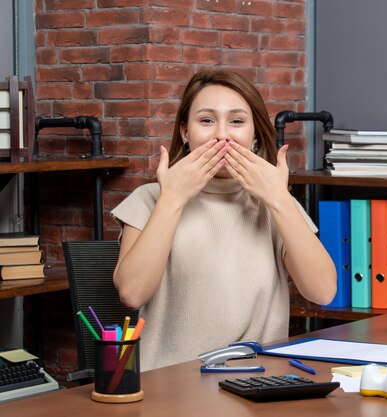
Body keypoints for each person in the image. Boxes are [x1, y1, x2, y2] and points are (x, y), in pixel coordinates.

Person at [110, 69, 337, 371]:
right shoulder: (150, 199)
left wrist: (279, 200)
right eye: (206, 120)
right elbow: (132, 293)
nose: (222, 135)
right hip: (170, 390)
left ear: (255, 134)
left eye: (237, 121)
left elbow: (322, 291)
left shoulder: (275, 204)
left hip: (257, 385)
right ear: (184, 132)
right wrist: (172, 199)